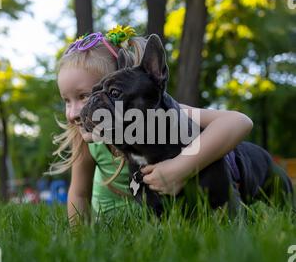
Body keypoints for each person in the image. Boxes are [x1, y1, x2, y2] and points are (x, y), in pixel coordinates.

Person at [49, 25, 253, 227]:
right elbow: (78, 194)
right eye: (66, 100)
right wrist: (79, 238)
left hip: (160, 222)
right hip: (113, 228)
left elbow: (239, 122)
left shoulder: (164, 115)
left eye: (85, 96)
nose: (73, 113)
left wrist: (182, 167)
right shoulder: (85, 138)